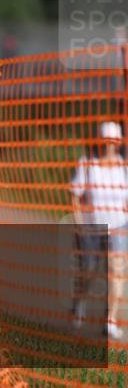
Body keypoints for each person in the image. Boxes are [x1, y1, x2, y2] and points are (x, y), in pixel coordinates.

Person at [71, 121, 128, 339]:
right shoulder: (87, 164)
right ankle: (79, 306)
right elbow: (75, 196)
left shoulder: (124, 168)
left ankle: (110, 321)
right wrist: (80, 224)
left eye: (112, 141)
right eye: (105, 141)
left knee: (117, 272)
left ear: (118, 142)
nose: (108, 145)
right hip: (92, 227)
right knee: (88, 271)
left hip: (119, 226)